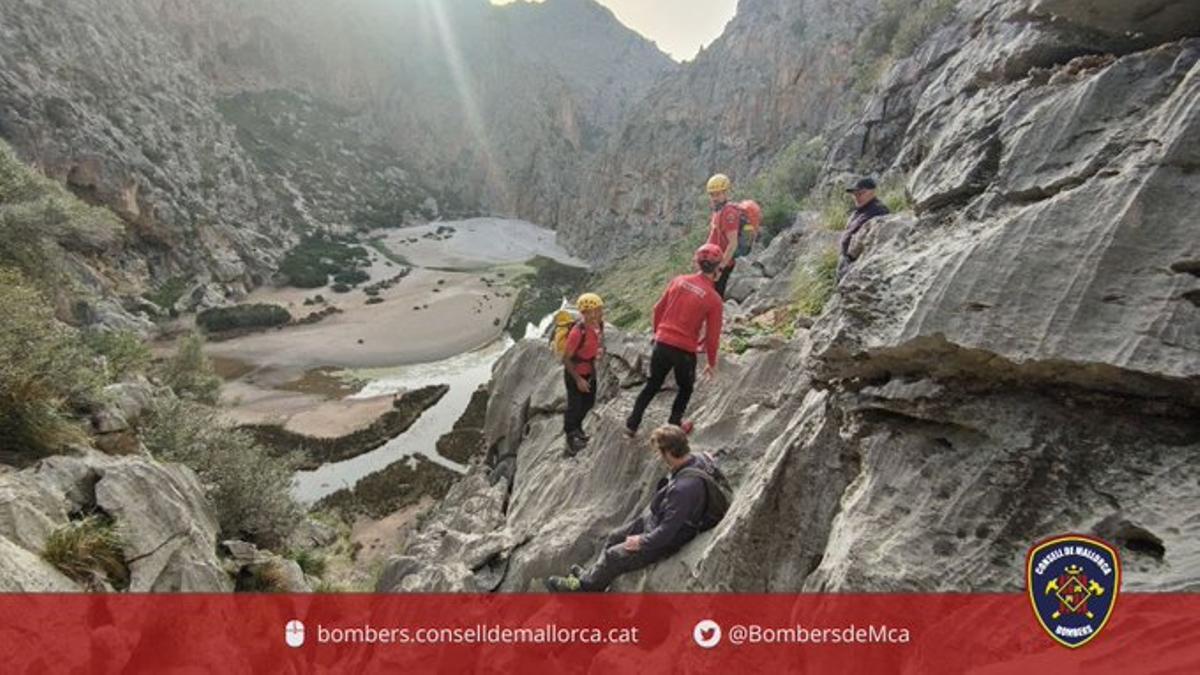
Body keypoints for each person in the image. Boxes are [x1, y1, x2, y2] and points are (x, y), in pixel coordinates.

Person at [544, 425, 730, 592]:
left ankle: (583, 588)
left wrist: (642, 541)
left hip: (667, 538)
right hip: (659, 518)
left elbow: (667, 532)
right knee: (614, 536)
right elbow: (709, 460)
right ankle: (592, 576)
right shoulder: (696, 459)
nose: (659, 456)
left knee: (613, 556)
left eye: (660, 452)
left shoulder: (683, 490)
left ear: (669, 453)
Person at [624, 244, 724, 438]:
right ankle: (674, 425)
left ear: (697, 262)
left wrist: (658, 334)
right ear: (718, 268)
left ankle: (632, 424)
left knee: (653, 383)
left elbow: (657, 309)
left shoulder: (678, 280)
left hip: (662, 342)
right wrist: (711, 362)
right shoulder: (714, 299)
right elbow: (712, 336)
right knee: (685, 388)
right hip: (684, 350)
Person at [562, 293, 605, 455]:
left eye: (599, 309)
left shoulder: (598, 325)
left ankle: (578, 430)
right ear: (586, 312)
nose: (599, 313)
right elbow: (565, 359)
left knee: (588, 403)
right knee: (574, 406)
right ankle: (571, 438)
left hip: (589, 372)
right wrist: (578, 379)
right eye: (595, 310)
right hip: (575, 375)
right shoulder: (577, 332)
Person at [836, 177, 891, 282]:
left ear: (872, 192)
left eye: (860, 193)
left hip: (858, 265)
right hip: (845, 261)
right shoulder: (859, 211)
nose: (857, 197)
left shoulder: (879, 211)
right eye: (854, 195)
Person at [705, 173, 742, 299]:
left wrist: (720, 268)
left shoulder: (729, 213)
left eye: (718, 194)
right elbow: (713, 235)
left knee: (715, 298)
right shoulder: (718, 211)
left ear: (726, 193)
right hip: (713, 262)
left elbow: (733, 243)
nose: (714, 198)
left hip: (723, 265)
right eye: (712, 194)